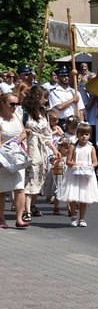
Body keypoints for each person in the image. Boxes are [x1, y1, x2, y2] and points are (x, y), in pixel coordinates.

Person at [22, 85, 61, 222]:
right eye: (44, 98)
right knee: (30, 176)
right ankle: (25, 210)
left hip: (41, 149)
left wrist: (54, 149)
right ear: (37, 97)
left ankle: (32, 205)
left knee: (40, 175)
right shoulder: (24, 111)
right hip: (29, 146)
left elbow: (46, 135)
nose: (46, 101)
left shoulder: (44, 113)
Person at [57, 123, 98, 227]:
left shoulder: (91, 148)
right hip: (74, 174)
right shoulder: (73, 147)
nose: (84, 136)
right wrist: (76, 164)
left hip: (86, 174)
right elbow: (68, 161)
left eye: (86, 134)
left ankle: (82, 218)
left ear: (89, 135)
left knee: (84, 197)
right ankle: (73, 216)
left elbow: (95, 162)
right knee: (73, 196)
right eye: (81, 134)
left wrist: (90, 166)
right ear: (77, 134)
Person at [0, 93, 28, 228]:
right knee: (1, 191)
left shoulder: (16, 116)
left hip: (17, 157)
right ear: (3, 104)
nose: (15, 107)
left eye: (17, 104)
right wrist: (8, 149)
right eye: (12, 104)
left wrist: (18, 140)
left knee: (19, 188)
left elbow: (23, 132)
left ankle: (19, 218)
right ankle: (1, 219)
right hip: (3, 158)